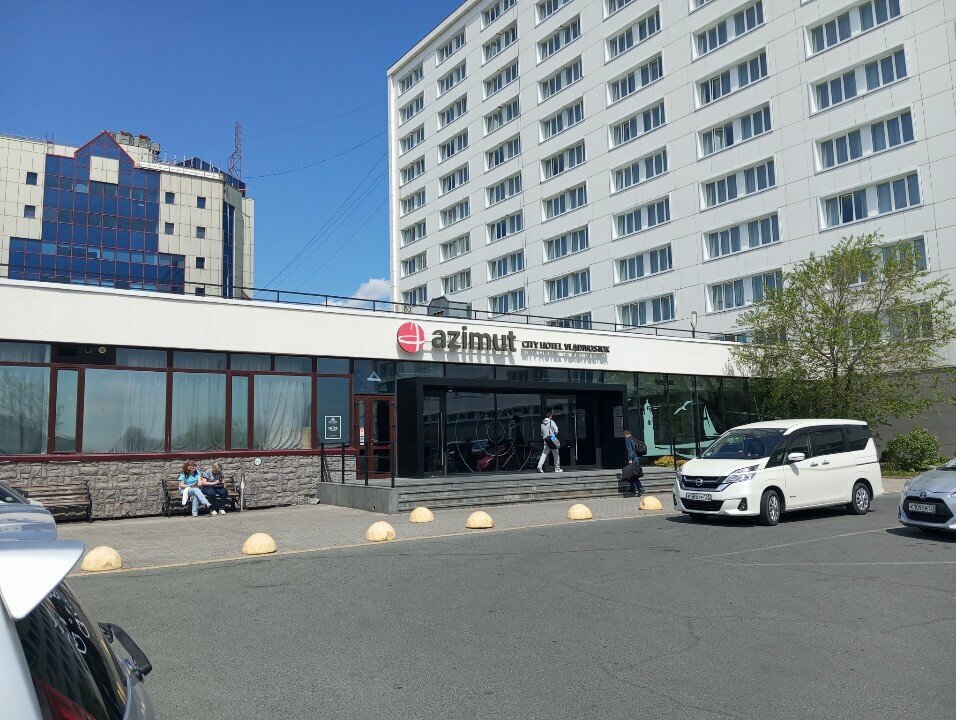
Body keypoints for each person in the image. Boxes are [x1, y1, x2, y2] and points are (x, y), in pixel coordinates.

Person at [623, 429, 644, 496]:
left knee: (633, 475)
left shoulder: (627, 440)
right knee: (631, 474)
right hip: (637, 459)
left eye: (624, 435)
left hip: (633, 459)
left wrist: (630, 459)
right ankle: (632, 488)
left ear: (626, 434)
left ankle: (640, 488)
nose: (624, 437)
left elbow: (629, 450)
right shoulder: (634, 439)